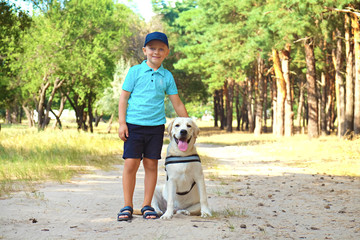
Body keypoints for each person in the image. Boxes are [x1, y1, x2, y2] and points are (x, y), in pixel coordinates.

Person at [117, 32, 188, 221]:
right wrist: (122, 123)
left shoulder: (167, 76)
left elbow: (177, 103)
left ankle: (147, 205)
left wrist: (190, 125)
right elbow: (123, 98)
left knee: (151, 164)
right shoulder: (135, 72)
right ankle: (127, 205)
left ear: (167, 52)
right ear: (144, 50)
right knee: (131, 163)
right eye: (152, 48)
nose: (156, 52)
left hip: (155, 127)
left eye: (160, 49)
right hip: (133, 126)